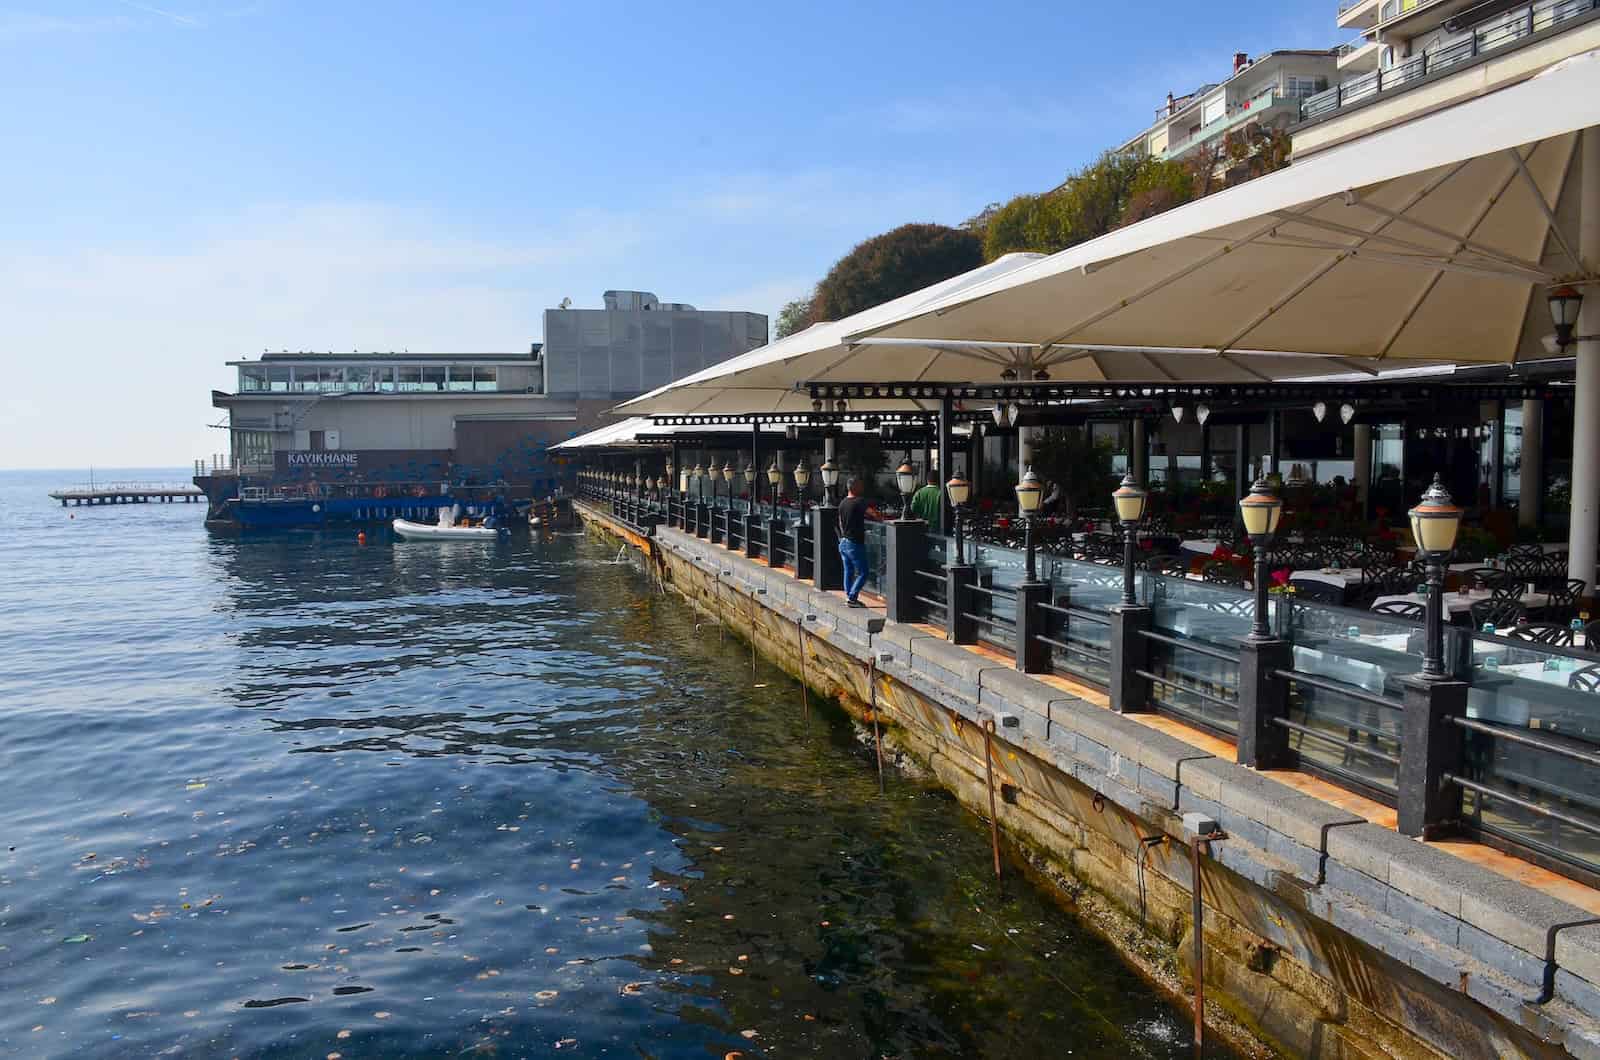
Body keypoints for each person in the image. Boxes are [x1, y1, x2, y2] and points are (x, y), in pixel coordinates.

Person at [837, 477, 869, 608]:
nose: (862, 487)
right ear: (854, 487)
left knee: (848, 571)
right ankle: (852, 597)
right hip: (854, 543)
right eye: (860, 485)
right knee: (863, 572)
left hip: (843, 542)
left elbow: (840, 522)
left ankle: (849, 596)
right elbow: (872, 513)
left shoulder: (843, 502)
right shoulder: (859, 501)